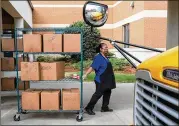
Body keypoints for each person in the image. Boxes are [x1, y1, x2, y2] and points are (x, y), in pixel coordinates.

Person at [83, 43, 116, 115]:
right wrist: (85, 75)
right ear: (100, 49)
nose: (106, 49)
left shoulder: (105, 57)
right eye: (105, 48)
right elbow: (92, 67)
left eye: (107, 48)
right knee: (98, 94)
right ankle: (88, 108)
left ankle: (104, 107)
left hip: (107, 79)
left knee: (107, 92)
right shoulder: (98, 57)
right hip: (100, 79)